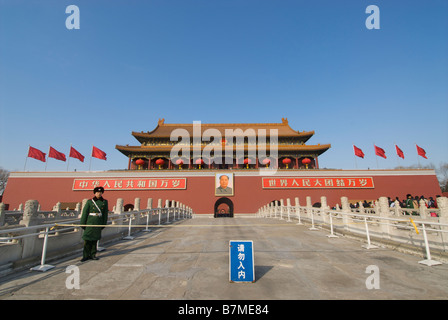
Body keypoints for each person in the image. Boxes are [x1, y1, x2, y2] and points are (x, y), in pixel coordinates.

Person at [80, 186, 108, 262]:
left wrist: (103, 224)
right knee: (87, 239)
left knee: (95, 239)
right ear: (95, 193)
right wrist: (83, 223)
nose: (99, 194)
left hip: (98, 222)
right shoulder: (90, 202)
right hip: (90, 221)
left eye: (100, 192)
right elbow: (85, 213)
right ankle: (85, 255)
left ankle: (93, 254)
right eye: (97, 192)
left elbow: (105, 214)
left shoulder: (104, 202)